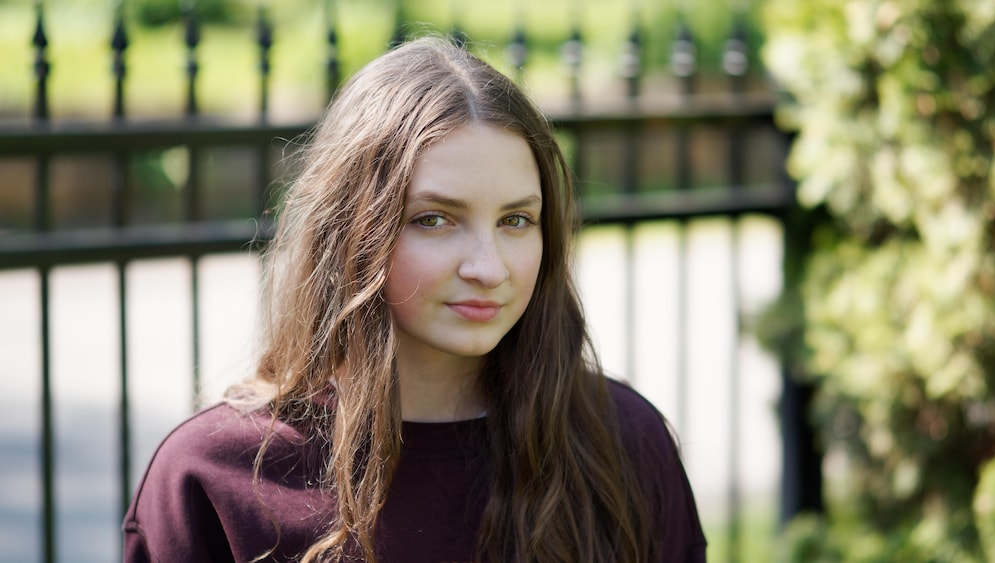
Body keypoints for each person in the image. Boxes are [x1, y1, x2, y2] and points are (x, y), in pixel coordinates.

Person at [123, 36, 706, 563]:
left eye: (516, 220)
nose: (488, 267)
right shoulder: (212, 477)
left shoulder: (621, 445)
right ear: (351, 231)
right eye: (434, 219)